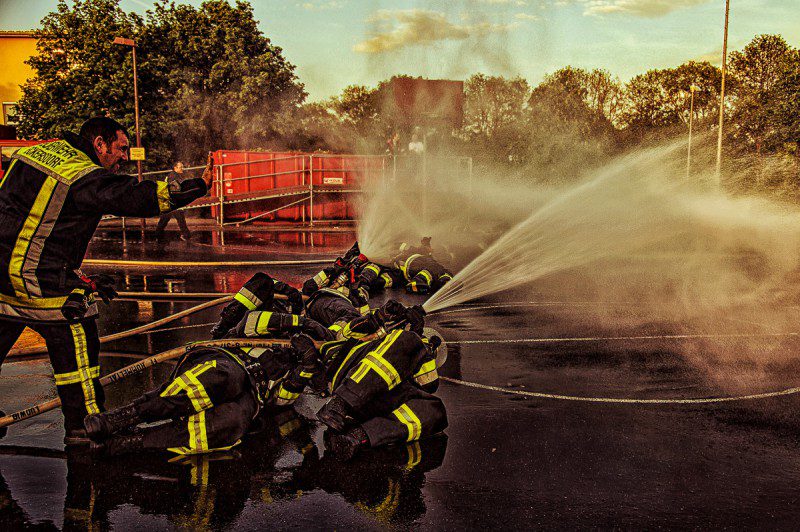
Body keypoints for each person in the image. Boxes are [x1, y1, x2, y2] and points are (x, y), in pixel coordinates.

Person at [0, 116, 212, 444]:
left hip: (2, 279)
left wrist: (73, 272)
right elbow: (134, 197)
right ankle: (85, 427)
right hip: (38, 284)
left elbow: (30, 219)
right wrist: (196, 186)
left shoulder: (35, 154)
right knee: (77, 332)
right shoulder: (83, 175)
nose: (124, 157)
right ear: (99, 144)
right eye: (120, 148)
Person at [83, 334, 323, 456]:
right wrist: (290, 321)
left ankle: (124, 444)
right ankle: (118, 419)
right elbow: (248, 317)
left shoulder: (302, 367)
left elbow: (281, 400)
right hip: (232, 361)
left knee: (234, 422)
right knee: (224, 379)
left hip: (254, 395)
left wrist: (306, 367)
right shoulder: (279, 322)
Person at [210, 272, 305, 339]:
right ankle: (225, 324)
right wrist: (285, 288)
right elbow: (267, 281)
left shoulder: (309, 320)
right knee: (262, 279)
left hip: (264, 328)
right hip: (246, 319)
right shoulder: (300, 299)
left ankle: (225, 327)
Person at [155, 161, 192, 244]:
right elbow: (176, 189)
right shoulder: (173, 176)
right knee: (177, 218)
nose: (182, 168)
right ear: (175, 168)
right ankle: (186, 235)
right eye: (180, 167)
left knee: (167, 219)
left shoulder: (172, 175)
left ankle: (158, 235)